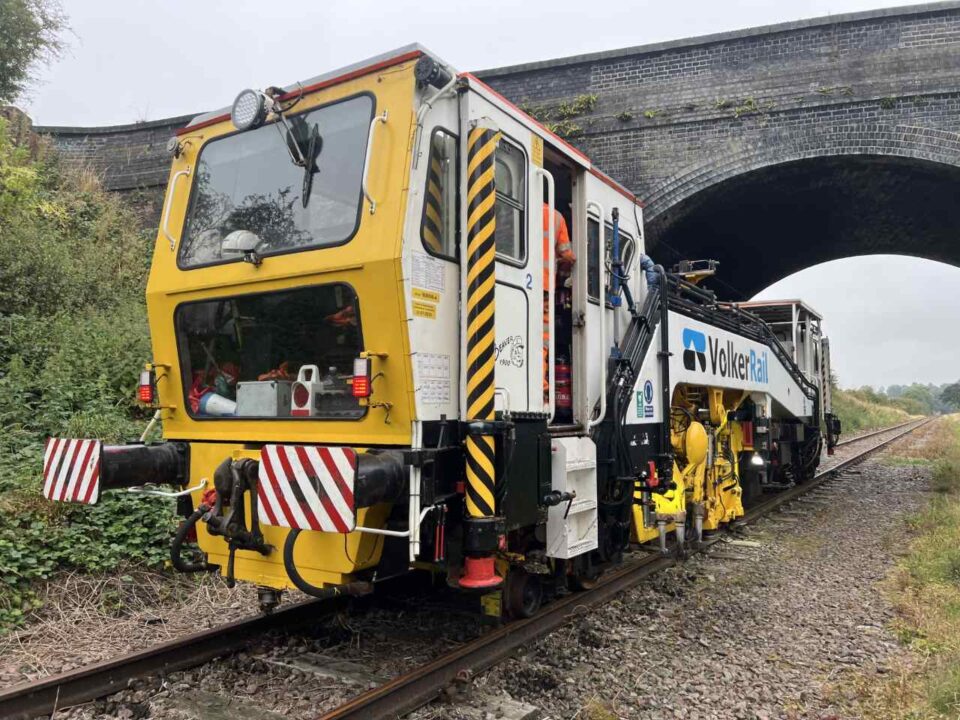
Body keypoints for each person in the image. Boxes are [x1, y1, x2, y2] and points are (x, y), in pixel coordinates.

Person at [543, 203, 576, 406]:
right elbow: (566, 254)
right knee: (541, 343)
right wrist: (564, 277)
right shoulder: (555, 216)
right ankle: (542, 396)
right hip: (544, 287)